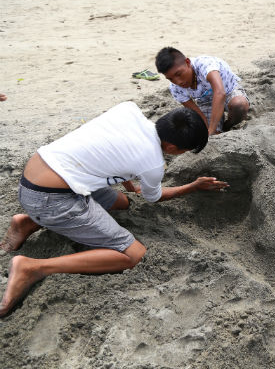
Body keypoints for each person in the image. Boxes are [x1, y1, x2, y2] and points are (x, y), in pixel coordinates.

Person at [0, 102, 228, 316]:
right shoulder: (154, 163)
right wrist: (194, 186)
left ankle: (27, 222)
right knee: (132, 255)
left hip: (39, 171)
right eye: (185, 151)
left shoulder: (128, 109)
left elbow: (117, 157)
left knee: (123, 204)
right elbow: (152, 197)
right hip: (50, 198)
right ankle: (34, 267)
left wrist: (129, 184)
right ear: (171, 147)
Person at [155, 47, 251, 135]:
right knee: (210, 133)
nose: (177, 81)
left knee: (239, 105)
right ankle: (219, 129)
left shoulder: (205, 65)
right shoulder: (175, 88)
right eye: (170, 79)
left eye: (179, 74)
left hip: (229, 91)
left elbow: (220, 93)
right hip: (206, 102)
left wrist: (212, 129)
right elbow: (196, 112)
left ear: (188, 62)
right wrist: (209, 130)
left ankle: (228, 125)